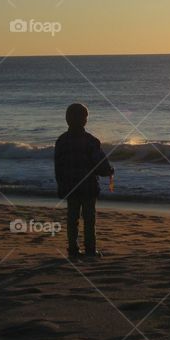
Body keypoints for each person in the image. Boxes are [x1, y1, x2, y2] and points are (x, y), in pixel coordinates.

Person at [54, 103, 114, 258]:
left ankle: (73, 249)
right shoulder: (90, 141)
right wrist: (108, 171)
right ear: (85, 120)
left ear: (67, 119)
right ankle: (90, 249)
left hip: (69, 186)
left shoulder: (61, 141)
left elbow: (58, 166)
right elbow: (100, 163)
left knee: (72, 218)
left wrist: (60, 185)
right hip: (88, 187)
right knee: (89, 219)